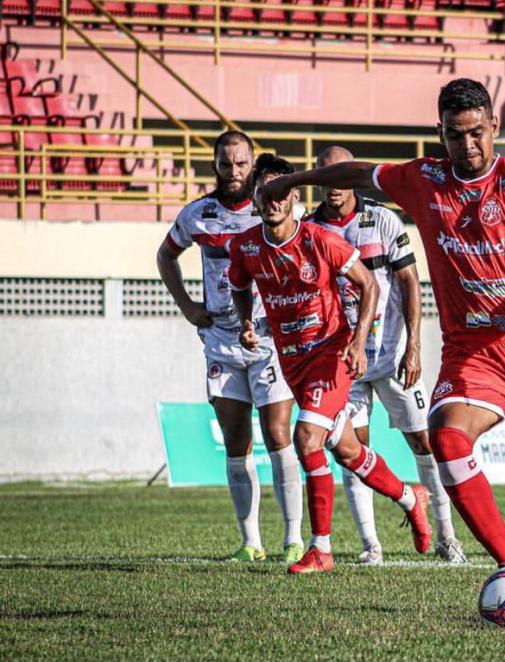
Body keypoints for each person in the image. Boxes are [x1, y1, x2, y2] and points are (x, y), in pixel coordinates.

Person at [259, 78, 505, 614]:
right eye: (455, 135)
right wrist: (295, 180)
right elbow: (354, 172)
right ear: (440, 133)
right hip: (473, 353)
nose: (469, 146)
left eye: (477, 133)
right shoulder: (423, 179)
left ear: (494, 127)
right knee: (446, 440)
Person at [227, 153, 432, 574]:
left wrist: (357, 343)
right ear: (255, 197)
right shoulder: (244, 246)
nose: (273, 200)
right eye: (264, 192)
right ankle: (412, 498)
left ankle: (321, 548)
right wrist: (247, 322)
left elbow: (369, 284)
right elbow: (239, 284)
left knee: (307, 439)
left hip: (332, 353)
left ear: (294, 196)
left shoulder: (319, 239)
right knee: (348, 451)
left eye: (280, 191)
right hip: (293, 362)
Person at [307, 145, 466, 565]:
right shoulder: (310, 229)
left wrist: (415, 346)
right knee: (355, 448)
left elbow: (410, 283)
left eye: (341, 175)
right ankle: (370, 545)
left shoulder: (382, 219)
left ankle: (447, 536)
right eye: (324, 176)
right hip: (345, 364)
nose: (333, 185)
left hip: (393, 355)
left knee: (425, 442)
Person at [156, 130, 305, 565]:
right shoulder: (198, 214)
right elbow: (165, 256)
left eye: (241, 163)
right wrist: (187, 306)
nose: (234, 171)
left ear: (252, 163)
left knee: (279, 435)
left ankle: (293, 538)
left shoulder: (270, 210)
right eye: (226, 163)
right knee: (236, 441)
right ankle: (250, 542)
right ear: (215, 165)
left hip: (269, 338)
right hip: (221, 340)